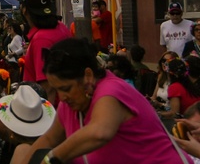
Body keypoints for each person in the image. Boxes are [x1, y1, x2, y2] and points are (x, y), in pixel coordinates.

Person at [21, 37, 187, 164]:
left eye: (65, 88)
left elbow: (100, 132)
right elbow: (49, 139)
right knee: (23, 151)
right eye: (56, 89)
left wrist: (52, 158)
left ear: (87, 75)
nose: (61, 97)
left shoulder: (111, 92)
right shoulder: (71, 104)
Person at [19, 0, 70, 101]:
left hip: (50, 110)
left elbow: (47, 88)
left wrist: (48, 118)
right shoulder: (60, 27)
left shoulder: (41, 39)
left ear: (24, 10)